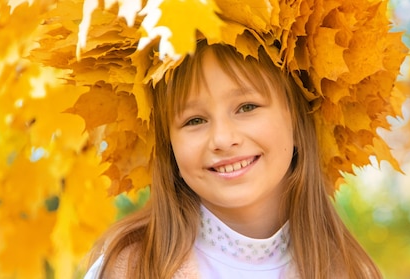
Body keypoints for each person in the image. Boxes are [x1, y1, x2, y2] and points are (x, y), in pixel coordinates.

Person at [84, 40, 382, 278]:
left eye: (247, 107)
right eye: (195, 120)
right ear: (168, 145)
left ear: (296, 114)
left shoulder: (351, 271)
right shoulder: (130, 268)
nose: (223, 140)